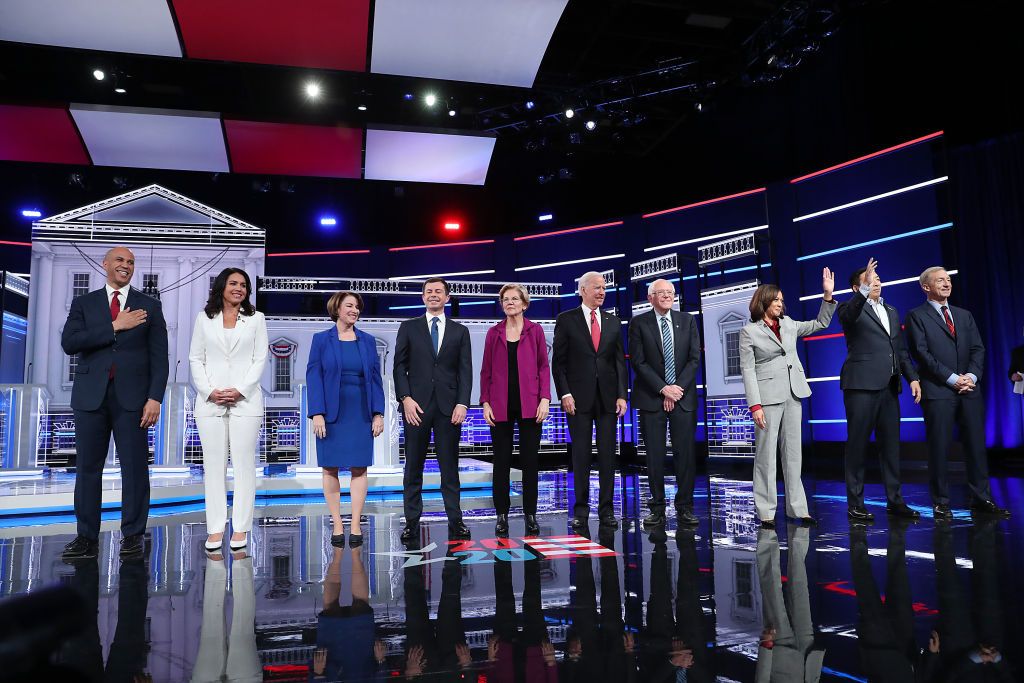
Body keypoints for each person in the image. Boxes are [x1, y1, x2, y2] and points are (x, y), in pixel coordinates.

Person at [60, 246, 169, 561]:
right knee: (88, 469)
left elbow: (159, 358)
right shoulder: (84, 303)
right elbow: (70, 343)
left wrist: (155, 398)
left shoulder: (150, 305)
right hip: (90, 397)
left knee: (135, 470)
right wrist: (114, 327)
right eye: (120, 260)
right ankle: (86, 538)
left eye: (131, 262)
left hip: (134, 400)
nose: (126, 265)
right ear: (105, 264)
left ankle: (133, 536)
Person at [904, 267, 1010, 520]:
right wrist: (952, 379)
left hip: (969, 389)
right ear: (926, 287)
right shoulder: (916, 316)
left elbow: (978, 349)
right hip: (938, 391)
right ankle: (941, 502)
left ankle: (982, 498)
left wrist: (970, 377)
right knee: (939, 447)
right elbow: (921, 354)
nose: (946, 283)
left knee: (976, 446)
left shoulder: (964, 315)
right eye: (940, 280)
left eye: (948, 280)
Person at [739, 269, 836, 528]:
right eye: (776, 300)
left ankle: (798, 509)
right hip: (767, 398)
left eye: (782, 300)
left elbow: (820, 324)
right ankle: (766, 511)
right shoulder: (749, 331)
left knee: (793, 454)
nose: (781, 304)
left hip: (794, 393)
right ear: (763, 302)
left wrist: (827, 296)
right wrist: (755, 405)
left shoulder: (789, 324)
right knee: (766, 456)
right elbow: (748, 370)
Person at [189, 268, 268, 552]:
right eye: (233, 283)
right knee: (213, 468)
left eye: (244, 285)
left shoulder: (256, 319)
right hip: (210, 402)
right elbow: (195, 358)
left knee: (244, 467)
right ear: (222, 286)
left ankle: (241, 528)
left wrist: (240, 390)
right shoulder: (204, 319)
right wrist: (210, 390)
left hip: (245, 402)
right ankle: (215, 528)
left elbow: (260, 359)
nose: (239, 288)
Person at [837, 258, 921, 525]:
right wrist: (863, 290)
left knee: (891, 447)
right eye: (869, 279)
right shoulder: (849, 309)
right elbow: (850, 317)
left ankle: (895, 501)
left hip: (889, 387)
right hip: (860, 385)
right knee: (858, 445)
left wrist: (913, 378)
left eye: (878, 279)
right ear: (856, 287)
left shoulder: (892, 311)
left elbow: (901, 350)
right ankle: (856, 504)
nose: (876, 283)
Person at [394, 278, 473, 542]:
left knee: (449, 467)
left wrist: (463, 403)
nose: (433, 295)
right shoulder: (408, 327)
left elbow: (465, 371)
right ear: (423, 297)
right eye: (429, 292)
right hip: (415, 407)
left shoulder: (460, 331)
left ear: (447, 297)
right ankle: (411, 522)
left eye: (439, 291)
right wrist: (404, 398)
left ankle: (456, 520)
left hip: (449, 409)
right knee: (413, 468)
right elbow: (399, 367)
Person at [307, 292, 385, 548]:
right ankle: (338, 523)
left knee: (359, 468)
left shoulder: (368, 340)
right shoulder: (321, 340)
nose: (354, 310)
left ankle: (355, 525)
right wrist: (317, 412)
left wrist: (378, 413)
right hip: (331, 413)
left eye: (357, 307)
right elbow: (314, 376)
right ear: (336, 309)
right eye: (349, 305)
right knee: (330, 467)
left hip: (360, 412)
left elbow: (375, 377)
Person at [552, 271, 627, 532]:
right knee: (581, 455)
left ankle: (607, 510)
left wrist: (621, 394)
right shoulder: (566, 320)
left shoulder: (613, 321)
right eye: (597, 288)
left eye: (604, 288)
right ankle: (581, 511)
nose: (602, 292)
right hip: (577, 399)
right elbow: (558, 363)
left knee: (608, 456)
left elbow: (619, 362)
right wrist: (565, 394)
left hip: (607, 398)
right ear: (582, 290)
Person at [627, 278, 701, 528]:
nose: (668, 296)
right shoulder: (639, 323)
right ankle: (657, 508)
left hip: (683, 397)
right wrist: (663, 389)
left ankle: (685, 508)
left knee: (685, 456)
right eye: (662, 293)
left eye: (671, 292)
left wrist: (675, 390)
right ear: (650, 297)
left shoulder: (687, 320)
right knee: (655, 456)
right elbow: (638, 362)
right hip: (652, 398)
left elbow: (693, 359)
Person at [479, 283, 551, 537]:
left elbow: (544, 366)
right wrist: (484, 402)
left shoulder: (536, 330)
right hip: (499, 405)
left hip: (531, 403)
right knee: (501, 462)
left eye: (514, 299)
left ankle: (531, 515)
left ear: (524, 303)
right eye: (505, 299)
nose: (509, 302)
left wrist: (545, 398)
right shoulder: (493, 333)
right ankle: (502, 515)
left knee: (530, 462)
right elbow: (485, 370)